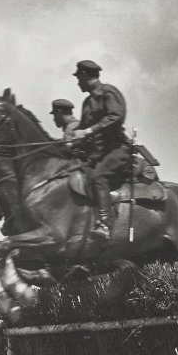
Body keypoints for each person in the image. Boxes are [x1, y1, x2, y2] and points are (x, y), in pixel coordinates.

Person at [72, 59, 130, 240]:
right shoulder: (86, 103)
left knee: (99, 177)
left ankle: (104, 224)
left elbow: (116, 116)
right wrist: (70, 143)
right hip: (98, 155)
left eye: (78, 78)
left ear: (84, 76)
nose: (77, 83)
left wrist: (89, 130)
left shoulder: (108, 92)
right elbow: (81, 129)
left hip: (118, 149)